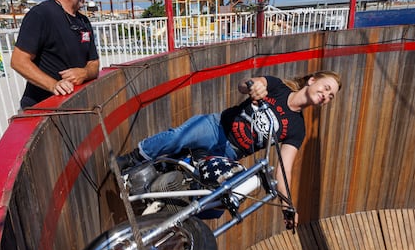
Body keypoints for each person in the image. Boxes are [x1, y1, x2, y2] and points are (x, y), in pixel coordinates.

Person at [116, 71, 342, 224]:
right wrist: (254, 86)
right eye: (326, 87)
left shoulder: (297, 128)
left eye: (330, 96)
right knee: (179, 137)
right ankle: (132, 159)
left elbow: (285, 168)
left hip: (231, 152)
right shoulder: (278, 87)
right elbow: (244, 84)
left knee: (218, 204)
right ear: (312, 80)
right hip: (217, 127)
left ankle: (167, 212)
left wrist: (287, 205)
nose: (326, 95)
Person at [11, 0, 103, 108]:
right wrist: (53, 85)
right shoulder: (40, 15)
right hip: (41, 109)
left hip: (71, 109)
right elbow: (18, 61)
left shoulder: (83, 21)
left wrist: (85, 73)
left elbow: (94, 63)